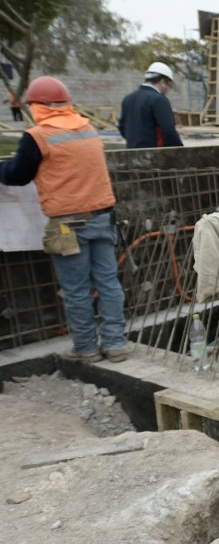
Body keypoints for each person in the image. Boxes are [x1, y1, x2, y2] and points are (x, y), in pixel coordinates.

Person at [0, 76, 129, 364]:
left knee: (76, 289)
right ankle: (116, 344)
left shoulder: (38, 136)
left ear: (37, 106)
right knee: (108, 284)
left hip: (66, 225)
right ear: (67, 104)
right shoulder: (88, 128)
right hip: (102, 218)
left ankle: (85, 348)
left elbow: (17, 175)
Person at [118, 62, 184, 149]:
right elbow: (168, 130)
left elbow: (122, 127)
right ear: (163, 82)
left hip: (131, 153)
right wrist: (181, 150)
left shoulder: (128, 98)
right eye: (169, 85)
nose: (168, 89)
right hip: (154, 156)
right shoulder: (159, 99)